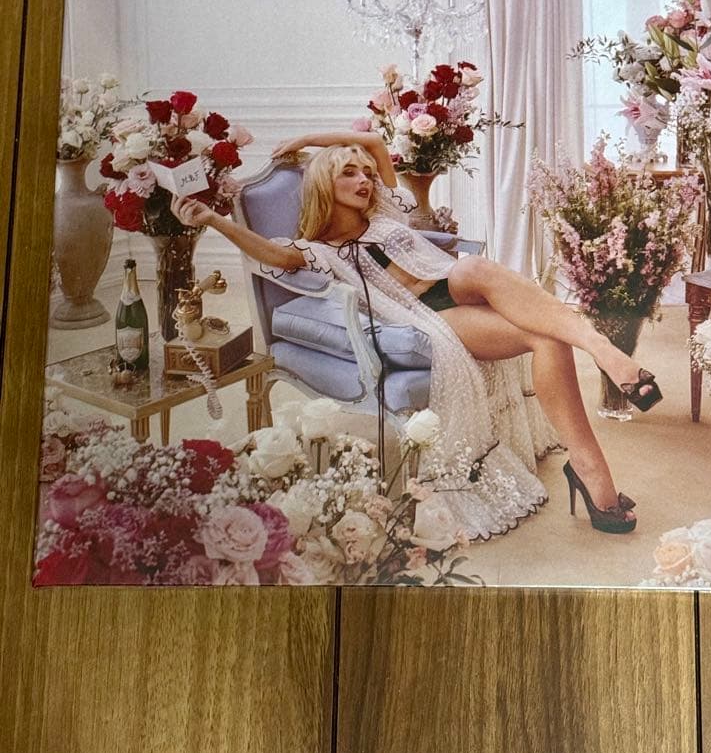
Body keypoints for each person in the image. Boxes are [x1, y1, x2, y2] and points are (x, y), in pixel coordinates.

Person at [172, 131, 660, 539]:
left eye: (366, 173)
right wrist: (214, 221)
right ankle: (590, 464)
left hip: (456, 284)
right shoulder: (319, 250)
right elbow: (273, 255)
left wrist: (308, 140)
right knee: (546, 338)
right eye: (349, 173)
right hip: (429, 315)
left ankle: (603, 351)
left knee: (471, 266)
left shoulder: (386, 212)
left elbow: (373, 143)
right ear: (323, 184)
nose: (365, 180)